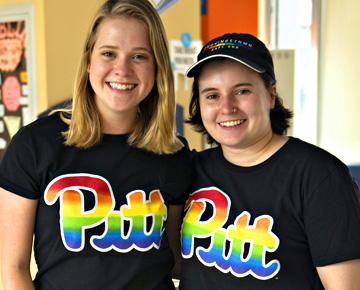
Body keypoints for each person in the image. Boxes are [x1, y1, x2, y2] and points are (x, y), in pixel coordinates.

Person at [0, 0, 191, 289]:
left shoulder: (173, 155)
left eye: (139, 56)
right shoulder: (34, 146)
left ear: (157, 67)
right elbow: (12, 267)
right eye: (109, 53)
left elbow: (176, 259)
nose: (122, 70)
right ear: (89, 60)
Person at [180, 33, 360, 289]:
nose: (227, 107)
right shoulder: (188, 170)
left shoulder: (319, 176)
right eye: (212, 95)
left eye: (242, 91)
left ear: (271, 95)